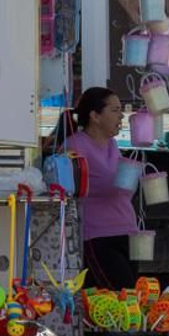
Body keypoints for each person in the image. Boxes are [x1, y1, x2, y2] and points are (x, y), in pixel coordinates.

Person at [66, 87, 140, 290]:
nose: (121, 116)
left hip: (127, 231)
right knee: (121, 296)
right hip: (98, 236)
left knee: (128, 296)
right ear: (95, 116)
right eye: (115, 110)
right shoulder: (75, 146)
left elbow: (120, 189)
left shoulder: (112, 144)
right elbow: (74, 190)